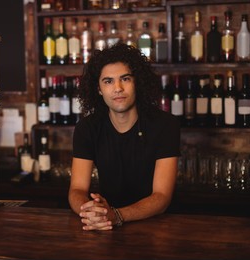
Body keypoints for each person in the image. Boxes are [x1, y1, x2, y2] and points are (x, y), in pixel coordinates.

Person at [68, 43, 180, 231]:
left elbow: (161, 197)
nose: (117, 88)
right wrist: (90, 211)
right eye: (108, 81)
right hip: (106, 226)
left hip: (157, 227)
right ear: (99, 89)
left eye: (125, 79)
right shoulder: (87, 128)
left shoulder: (165, 125)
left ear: (137, 82)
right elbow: (77, 189)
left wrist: (117, 215)